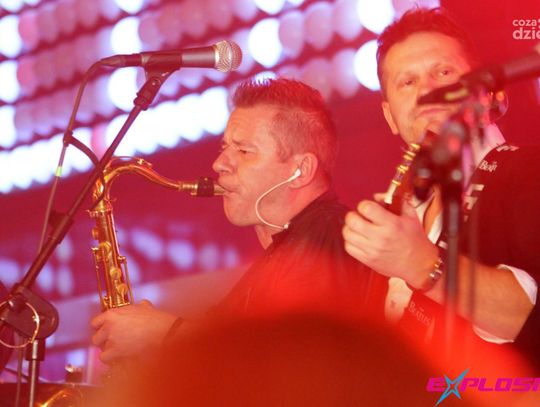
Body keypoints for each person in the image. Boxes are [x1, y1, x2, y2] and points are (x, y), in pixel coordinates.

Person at [92, 78, 376, 364]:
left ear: (301, 171)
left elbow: (296, 367)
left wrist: (165, 334)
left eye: (243, 151)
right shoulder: (288, 250)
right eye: (224, 147)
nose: (219, 164)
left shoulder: (325, 239)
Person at [342, 7, 540, 365]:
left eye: (444, 72)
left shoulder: (531, 172)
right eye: (407, 82)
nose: (428, 91)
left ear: (486, 93)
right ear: (390, 117)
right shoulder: (396, 212)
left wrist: (422, 265)